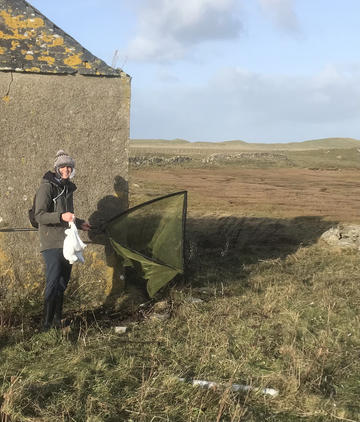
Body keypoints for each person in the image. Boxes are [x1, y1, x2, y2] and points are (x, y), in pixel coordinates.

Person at [35, 150, 91, 330]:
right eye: (63, 166)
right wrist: (61, 216)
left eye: (69, 167)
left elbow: (69, 216)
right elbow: (40, 216)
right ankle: (45, 325)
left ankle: (57, 322)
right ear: (57, 168)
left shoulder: (68, 188)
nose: (66, 170)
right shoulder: (47, 187)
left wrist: (81, 223)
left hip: (68, 244)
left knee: (62, 283)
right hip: (51, 242)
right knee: (52, 281)